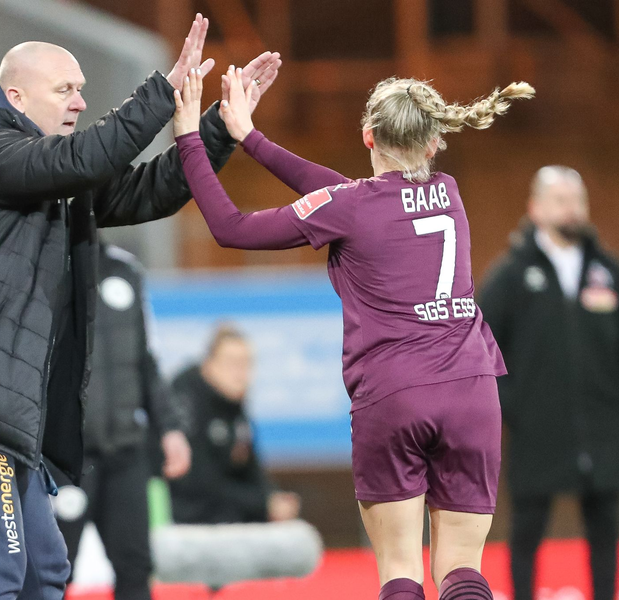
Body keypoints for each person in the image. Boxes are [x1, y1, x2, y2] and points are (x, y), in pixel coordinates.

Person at [0, 14, 282, 599]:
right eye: (64, 89)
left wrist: (220, 126)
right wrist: (164, 92)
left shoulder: (45, 169)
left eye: (80, 88)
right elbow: (81, 162)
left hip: (3, 407)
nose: (80, 100)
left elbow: (150, 190)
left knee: (44, 569)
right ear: (15, 96)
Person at [172, 67, 534, 599]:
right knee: (461, 566)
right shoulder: (449, 192)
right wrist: (251, 138)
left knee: (401, 569)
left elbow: (231, 228)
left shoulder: (352, 205)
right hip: (472, 388)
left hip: (394, 393)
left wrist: (188, 139)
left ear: (368, 135)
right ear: (435, 141)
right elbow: (344, 194)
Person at [478, 167, 619, 600]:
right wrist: (510, 405)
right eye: (560, 200)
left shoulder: (606, 272)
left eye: (577, 199)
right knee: (527, 530)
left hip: (601, 428)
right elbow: (479, 344)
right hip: (536, 429)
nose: (572, 209)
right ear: (535, 209)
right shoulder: (511, 276)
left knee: (605, 532)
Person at [49, 239, 191, 600]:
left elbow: (146, 359)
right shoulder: (43, 266)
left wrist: (170, 427)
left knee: (135, 565)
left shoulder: (126, 270)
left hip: (127, 451)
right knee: (54, 569)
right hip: (67, 459)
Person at [168, 324, 301, 525]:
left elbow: (251, 467)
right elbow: (199, 485)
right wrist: (262, 503)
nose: (241, 373)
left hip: (228, 517)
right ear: (209, 365)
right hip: (187, 519)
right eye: (232, 363)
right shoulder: (185, 401)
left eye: (247, 364)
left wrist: (272, 498)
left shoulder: (234, 405)